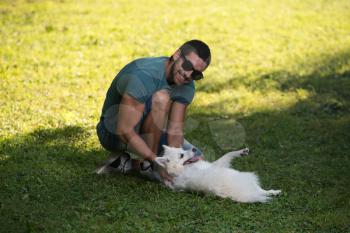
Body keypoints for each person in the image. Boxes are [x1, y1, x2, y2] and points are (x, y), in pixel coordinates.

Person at [94, 40, 211, 181]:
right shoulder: (144, 75)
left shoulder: (188, 86)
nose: (188, 75)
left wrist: (176, 163)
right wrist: (156, 160)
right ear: (176, 55)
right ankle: (150, 164)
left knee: (198, 160)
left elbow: (175, 131)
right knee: (162, 98)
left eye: (196, 74)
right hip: (113, 132)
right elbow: (124, 130)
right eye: (187, 66)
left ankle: (126, 163)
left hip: (148, 129)